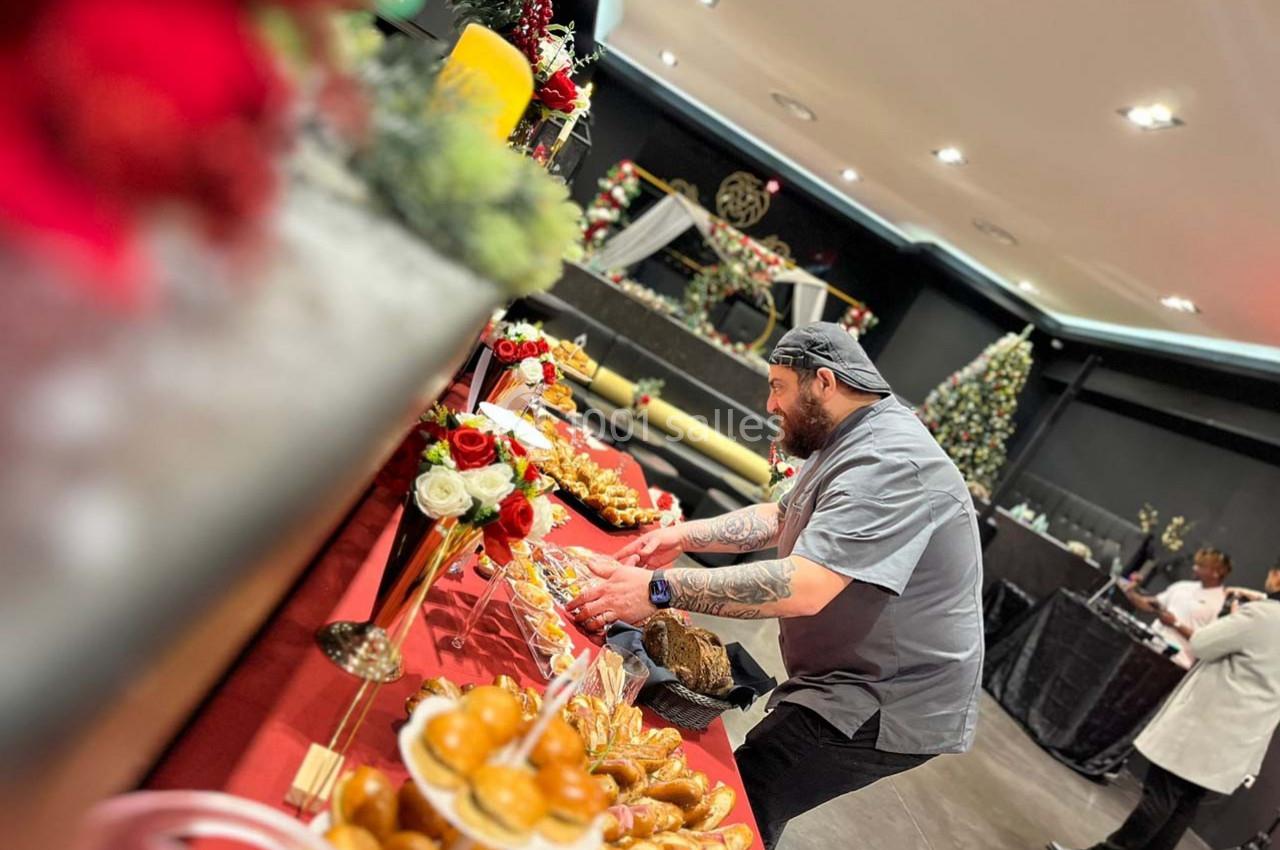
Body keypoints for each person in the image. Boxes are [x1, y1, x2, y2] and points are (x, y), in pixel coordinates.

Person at [567, 322, 984, 850]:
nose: (769, 403)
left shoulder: (889, 461)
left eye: (779, 386)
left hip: (886, 697)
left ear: (824, 383)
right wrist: (681, 533)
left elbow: (805, 586)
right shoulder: (851, 434)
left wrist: (659, 589)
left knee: (742, 805)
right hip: (849, 678)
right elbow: (784, 514)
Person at [1048, 589, 1280, 850]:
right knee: (1184, 805)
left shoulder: (1261, 616)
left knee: (1161, 797)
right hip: (1238, 739)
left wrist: (1235, 617)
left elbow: (1202, 643)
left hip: (1206, 725)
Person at [1121, 547, 1232, 668]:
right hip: (1146, 645)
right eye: (1196, 564)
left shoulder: (1220, 605)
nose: (1194, 568)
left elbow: (1206, 641)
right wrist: (1131, 591)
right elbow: (1150, 605)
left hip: (1174, 662)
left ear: (1216, 573)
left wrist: (1176, 624)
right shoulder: (1183, 586)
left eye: (1201, 566)